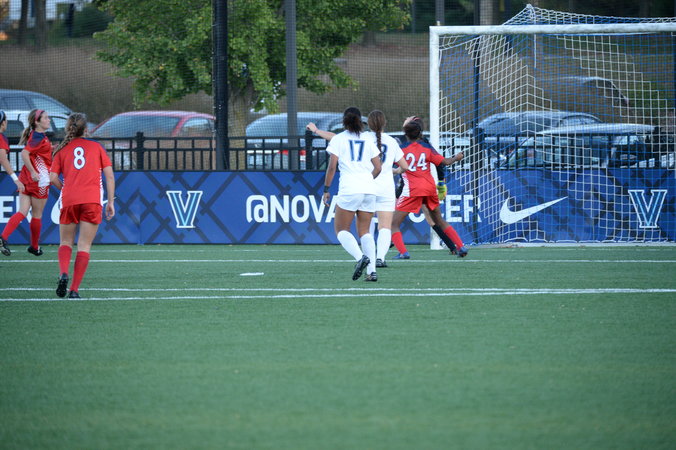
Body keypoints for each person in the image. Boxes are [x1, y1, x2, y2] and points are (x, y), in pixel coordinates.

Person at [308, 110, 409, 268]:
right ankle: (380, 259)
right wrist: (395, 171)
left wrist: (316, 131)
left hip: (364, 185)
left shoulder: (363, 136)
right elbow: (405, 166)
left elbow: (335, 138)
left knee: (364, 228)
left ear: (368, 123)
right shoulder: (391, 141)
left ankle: (366, 260)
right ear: (385, 123)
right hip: (384, 187)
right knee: (384, 226)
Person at [49, 113, 115, 299]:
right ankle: (74, 290)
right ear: (86, 129)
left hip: (69, 199)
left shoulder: (62, 149)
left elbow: (52, 178)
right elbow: (109, 176)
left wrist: (65, 189)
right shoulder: (97, 147)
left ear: (67, 129)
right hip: (92, 200)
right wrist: (110, 202)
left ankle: (63, 273)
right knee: (84, 245)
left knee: (65, 242)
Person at [391, 116, 468, 259]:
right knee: (440, 220)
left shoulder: (401, 150)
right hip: (429, 188)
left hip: (412, 190)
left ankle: (403, 252)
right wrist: (456, 158)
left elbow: (392, 164)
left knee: (393, 224)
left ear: (406, 134)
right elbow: (445, 162)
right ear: (420, 132)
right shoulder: (426, 148)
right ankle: (460, 246)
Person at [321, 107, 382, 281]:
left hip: (349, 188)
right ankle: (371, 272)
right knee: (365, 231)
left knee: (341, 230)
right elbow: (378, 167)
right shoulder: (367, 139)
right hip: (369, 189)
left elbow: (332, 167)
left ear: (344, 121)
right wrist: (366, 181)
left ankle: (359, 257)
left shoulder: (338, 139)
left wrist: (326, 190)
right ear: (360, 121)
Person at [0, 109, 52, 257]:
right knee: (37, 215)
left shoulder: (37, 135)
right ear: (37, 122)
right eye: (45, 118)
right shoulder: (38, 136)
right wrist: (34, 171)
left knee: (22, 211)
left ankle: (3, 237)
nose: (48, 120)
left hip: (26, 179)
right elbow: (25, 153)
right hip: (39, 181)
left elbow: (36, 153)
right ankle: (34, 246)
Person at [0, 111, 26, 201]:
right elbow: (3, 159)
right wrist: (16, 179)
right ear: (3, 123)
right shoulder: (1, 138)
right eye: (6, 120)